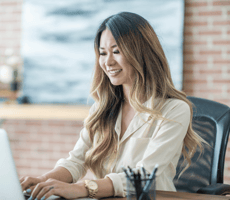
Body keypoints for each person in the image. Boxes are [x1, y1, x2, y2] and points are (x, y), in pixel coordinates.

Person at [20, 12, 204, 200]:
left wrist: (84, 188)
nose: (107, 62)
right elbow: (76, 161)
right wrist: (44, 181)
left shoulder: (174, 110)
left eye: (116, 51)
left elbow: (144, 176)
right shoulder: (101, 110)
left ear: (141, 52)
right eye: (103, 53)